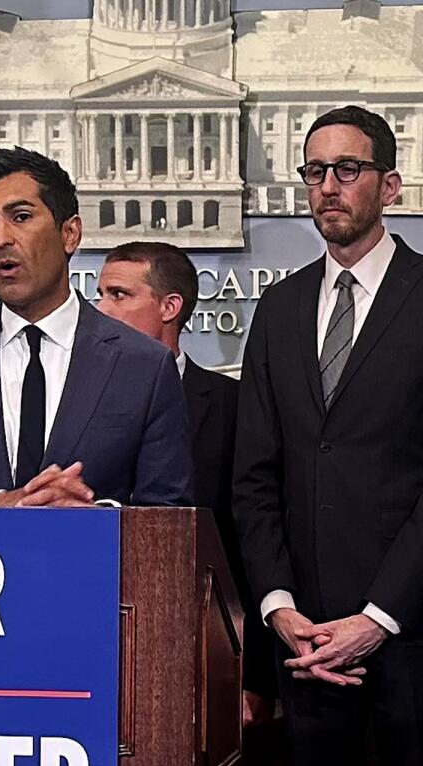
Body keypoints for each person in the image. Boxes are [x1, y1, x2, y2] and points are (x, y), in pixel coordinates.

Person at [233, 105, 423, 766]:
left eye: (347, 169)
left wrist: (376, 619)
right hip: (306, 632)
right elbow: (255, 477)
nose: (328, 187)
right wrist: (280, 607)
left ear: (390, 182)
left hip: (410, 626)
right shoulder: (277, 311)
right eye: (315, 172)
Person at [0, 147, 191, 507]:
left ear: (70, 233)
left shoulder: (142, 364)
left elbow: (171, 514)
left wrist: (95, 519)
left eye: (21, 216)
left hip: (92, 563)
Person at [96, 240, 274, 716]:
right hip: (90, 645)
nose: (100, 310)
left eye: (118, 295)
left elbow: (251, 543)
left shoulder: (233, 407)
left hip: (203, 652)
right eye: (99, 295)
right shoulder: (71, 406)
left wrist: (252, 674)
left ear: (170, 307)